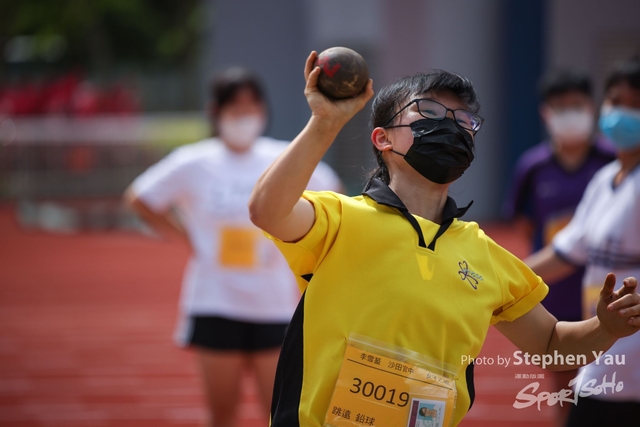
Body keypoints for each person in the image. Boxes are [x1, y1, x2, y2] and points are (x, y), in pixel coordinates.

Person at [247, 52, 640, 427]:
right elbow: (267, 211)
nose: (451, 125)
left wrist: (605, 328)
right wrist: (325, 122)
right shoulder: (340, 219)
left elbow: (552, 346)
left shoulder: (484, 254)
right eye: (430, 112)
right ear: (383, 138)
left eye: (464, 119)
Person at [124, 66, 342, 427]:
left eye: (251, 106)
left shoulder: (283, 156)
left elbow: (334, 197)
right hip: (215, 302)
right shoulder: (193, 161)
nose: (244, 115)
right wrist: (187, 237)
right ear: (216, 111)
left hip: (274, 304)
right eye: (234, 107)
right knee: (222, 414)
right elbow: (140, 197)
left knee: (280, 415)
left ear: (263, 110)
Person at [526, 56, 640, 427]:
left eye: (636, 104)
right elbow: (563, 253)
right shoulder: (605, 179)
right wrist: (493, 280)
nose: (623, 113)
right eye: (616, 101)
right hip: (604, 354)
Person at [502, 69, 615, 426]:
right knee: (564, 379)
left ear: (592, 107)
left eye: (576, 105)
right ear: (545, 113)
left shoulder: (614, 162)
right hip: (555, 287)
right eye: (560, 107)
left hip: (607, 283)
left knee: (614, 379)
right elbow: (523, 223)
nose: (569, 114)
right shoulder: (533, 167)